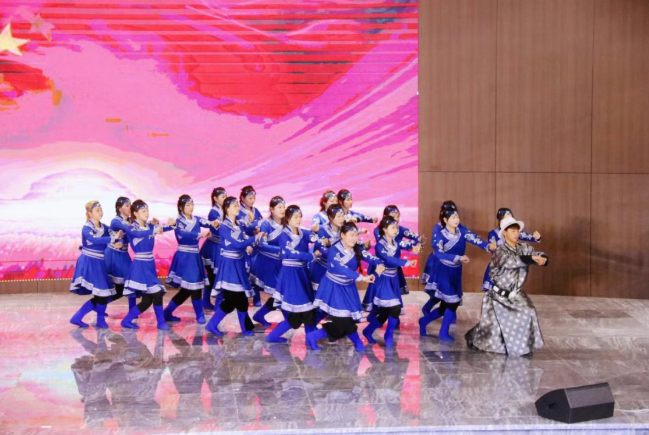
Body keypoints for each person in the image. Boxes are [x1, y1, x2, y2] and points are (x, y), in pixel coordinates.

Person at [465, 216, 548, 356]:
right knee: (492, 329)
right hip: (498, 296)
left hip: (516, 294)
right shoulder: (499, 251)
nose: (516, 234)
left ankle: (523, 346)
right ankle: (473, 337)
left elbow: (536, 254)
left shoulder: (524, 248)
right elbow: (511, 261)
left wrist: (543, 258)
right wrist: (531, 259)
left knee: (528, 312)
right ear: (504, 232)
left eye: (517, 231)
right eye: (512, 231)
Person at [418, 207, 496, 341]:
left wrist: (488, 246)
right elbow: (439, 253)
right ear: (445, 220)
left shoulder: (462, 231)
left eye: (457, 217)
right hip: (443, 270)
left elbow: (476, 240)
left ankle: (424, 321)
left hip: (455, 271)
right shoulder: (440, 234)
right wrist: (458, 257)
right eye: (453, 218)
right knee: (452, 302)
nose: (456, 220)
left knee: (448, 304)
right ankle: (443, 332)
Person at [308, 222, 385, 352]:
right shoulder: (334, 250)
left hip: (348, 288)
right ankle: (356, 341)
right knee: (343, 320)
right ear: (342, 235)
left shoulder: (357, 249)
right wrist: (362, 277)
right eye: (351, 235)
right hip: (333, 287)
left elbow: (371, 258)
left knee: (346, 320)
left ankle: (313, 336)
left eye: (356, 235)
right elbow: (340, 268)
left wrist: (379, 263)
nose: (354, 238)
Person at [205, 197, 265, 336]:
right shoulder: (224, 226)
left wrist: (249, 242)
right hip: (230, 266)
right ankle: (244, 328)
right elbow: (237, 244)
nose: (238, 208)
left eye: (238, 205)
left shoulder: (238, 223)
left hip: (238, 263)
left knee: (234, 300)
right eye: (234, 206)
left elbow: (244, 235)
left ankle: (215, 325)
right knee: (237, 298)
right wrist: (255, 238)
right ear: (227, 209)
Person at [266, 205, 321, 346]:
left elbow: (316, 238)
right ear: (288, 219)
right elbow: (291, 253)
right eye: (295, 217)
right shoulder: (283, 235)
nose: (298, 219)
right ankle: (309, 339)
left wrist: (320, 235)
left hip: (302, 273)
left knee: (306, 310)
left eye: (300, 216)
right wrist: (311, 256)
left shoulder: (304, 232)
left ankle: (308, 338)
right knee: (303, 310)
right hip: (291, 274)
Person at [362, 217, 418, 347]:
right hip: (383, 279)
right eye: (393, 227)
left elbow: (410, 244)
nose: (396, 230)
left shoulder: (396, 242)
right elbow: (388, 259)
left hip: (393, 279)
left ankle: (368, 331)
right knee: (395, 308)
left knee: (386, 312)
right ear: (385, 229)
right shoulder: (380, 246)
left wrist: (417, 246)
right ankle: (389, 334)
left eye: (396, 227)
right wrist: (406, 262)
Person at [120, 200, 175, 330]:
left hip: (149, 265)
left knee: (147, 300)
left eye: (147, 210)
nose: (147, 213)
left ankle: (126, 320)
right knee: (157, 293)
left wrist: (172, 224)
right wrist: (154, 230)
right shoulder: (131, 228)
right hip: (140, 266)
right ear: (135, 213)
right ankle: (161, 322)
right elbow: (140, 234)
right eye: (143, 211)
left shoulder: (149, 225)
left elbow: (162, 228)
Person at [163, 195, 218, 324]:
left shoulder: (196, 219)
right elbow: (183, 234)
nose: (191, 207)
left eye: (192, 204)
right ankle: (199, 315)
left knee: (189, 289)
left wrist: (214, 223)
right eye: (188, 205)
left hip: (194, 256)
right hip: (184, 257)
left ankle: (168, 312)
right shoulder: (178, 222)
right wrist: (200, 235)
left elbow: (207, 222)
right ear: (181, 207)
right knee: (193, 287)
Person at [69, 201, 123, 328]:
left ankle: (80, 318)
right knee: (102, 293)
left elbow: (115, 235)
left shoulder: (104, 227)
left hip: (98, 262)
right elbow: (95, 240)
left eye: (101, 209)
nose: (100, 212)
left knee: (102, 294)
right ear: (89, 213)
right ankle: (97, 320)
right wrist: (113, 239)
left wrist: (117, 242)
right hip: (89, 262)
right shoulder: (86, 228)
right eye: (97, 210)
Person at [482, 208, 541, 293]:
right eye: (507, 218)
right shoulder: (493, 233)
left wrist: (536, 237)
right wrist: (492, 248)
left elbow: (527, 236)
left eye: (511, 218)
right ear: (500, 219)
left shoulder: (514, 231)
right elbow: (491, 247)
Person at [250, 196, 286, 327]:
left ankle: (260, 315)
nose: (282, 210)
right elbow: (261, 244)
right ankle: (288, 322)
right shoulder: (266, 224)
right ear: (272, 209)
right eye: (279, 207)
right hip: (267, 263)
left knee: (282, 295)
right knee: (281, 295)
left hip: (281, 264)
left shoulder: (286, 223)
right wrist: (280, 250)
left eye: (284, 207)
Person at [104, 196, 136, 310]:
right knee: (113, 288)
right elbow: (127, 229)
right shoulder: (115, 222)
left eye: (130, 205)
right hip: (113, 255)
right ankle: (99, 307)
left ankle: (133, 312)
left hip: (123, 255)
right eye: (127, 205)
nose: (130, 207)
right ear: (119, 208)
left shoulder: (131, 221)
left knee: (129, 284)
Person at [200, 187, 227, 310]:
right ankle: (211, 302)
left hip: (220, 247)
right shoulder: (213, 212)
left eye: (225, 197)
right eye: (222, 197)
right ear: (215, 198)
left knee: (215, 276)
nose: (225, 199)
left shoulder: (224, 210)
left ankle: (208, 301)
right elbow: (216, 230)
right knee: (213, 276)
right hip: (213, 248)